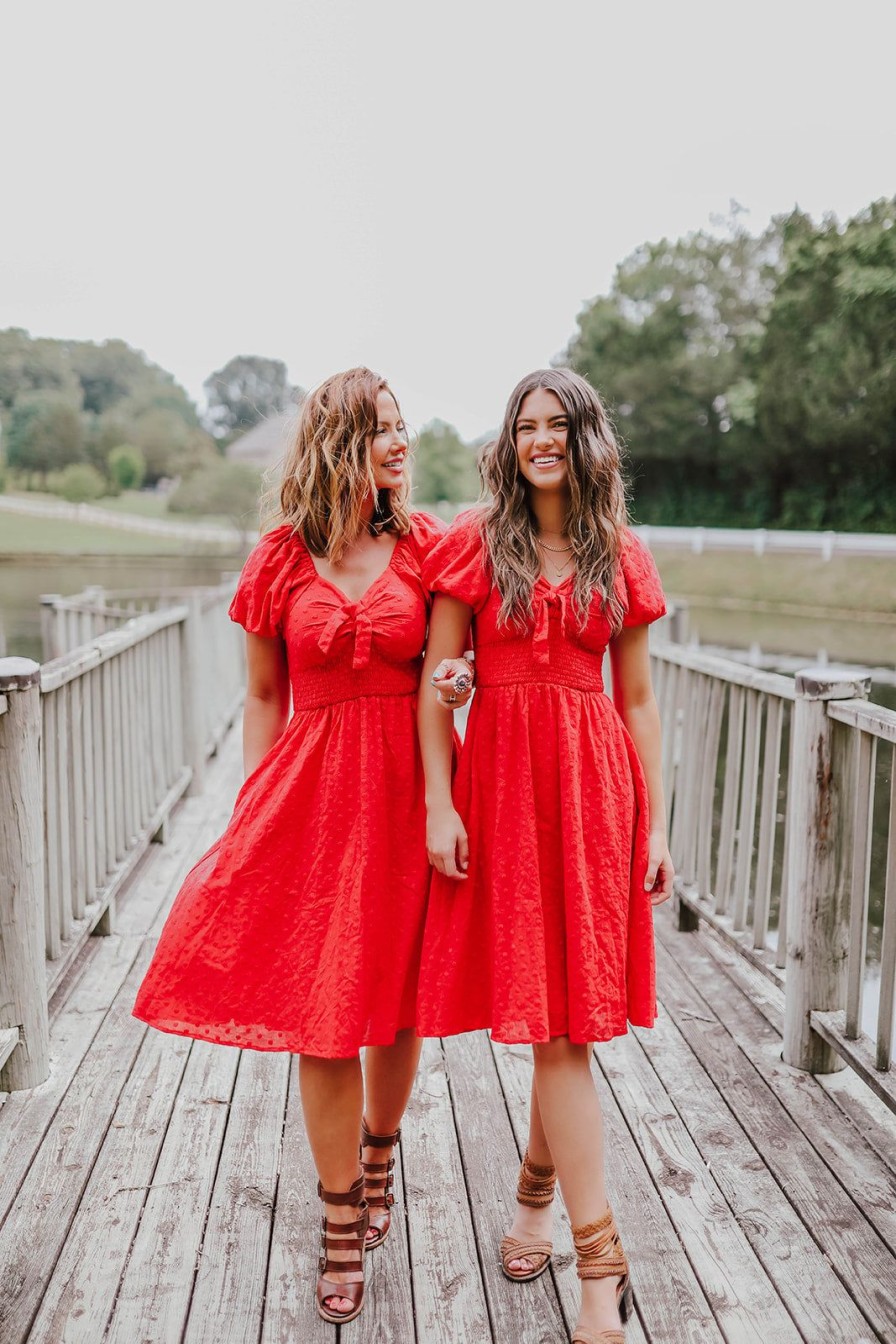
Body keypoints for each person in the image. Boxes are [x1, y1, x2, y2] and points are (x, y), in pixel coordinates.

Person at [133, 367, 470, 1326]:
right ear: (338, 445)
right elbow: (261, 696)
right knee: (320, 1006)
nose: (401, 445)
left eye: (404, 429)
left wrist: (463, 689)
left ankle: (380, 1146)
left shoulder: (431, 547)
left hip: (409, 793)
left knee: (395, 999)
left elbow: (466, 655)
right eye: (381, 432)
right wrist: (251, 809)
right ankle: (337, 1215)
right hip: (309, 797)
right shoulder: (281, 558)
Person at [417, 368, 673, 1344]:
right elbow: (437, 684)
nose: (537, 440)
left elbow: (638, 701)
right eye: (523, 426)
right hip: (505, 797)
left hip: (594, 795)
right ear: (509, 442)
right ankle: (600, 1261)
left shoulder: (622, 555)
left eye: (553, 424)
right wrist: (439, 800)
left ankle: (535, 1200)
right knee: (552, 1021)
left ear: (583, 437)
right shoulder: (474, 547)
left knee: (563, 1017)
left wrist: (654, 825)